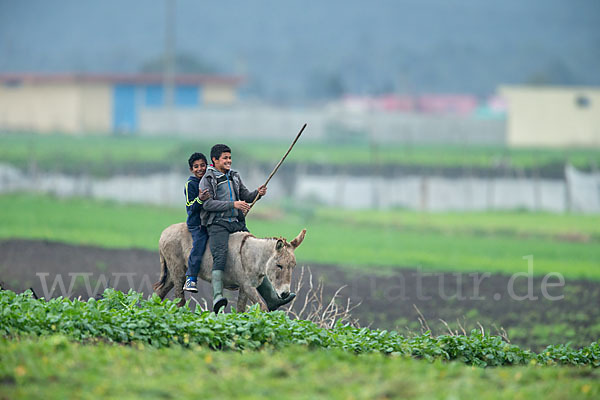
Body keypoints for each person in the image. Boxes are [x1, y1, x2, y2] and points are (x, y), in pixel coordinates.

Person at [200, 144, 296, 313]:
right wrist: (233, 204)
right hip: (217, 224)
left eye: (230, 157)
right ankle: (217, 296)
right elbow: (207, 204)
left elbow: (246, 196)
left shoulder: (235, 176)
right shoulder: (207, 179)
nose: (228, 161)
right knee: (220, 254)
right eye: (225, 158)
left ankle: (272, 299)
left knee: (256, 258)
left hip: (236, 223)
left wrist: (257, 193)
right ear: (214, 160)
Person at [182, 152, 211, 293]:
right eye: (196, 167)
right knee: (199, 243)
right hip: (197, 224)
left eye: (202, 165)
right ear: (191, 170)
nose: (200, 169)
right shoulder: (190, 184)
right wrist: (200, 199)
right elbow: (190, 207)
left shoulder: (210, 179)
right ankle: (191, 277)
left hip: (210, 221)